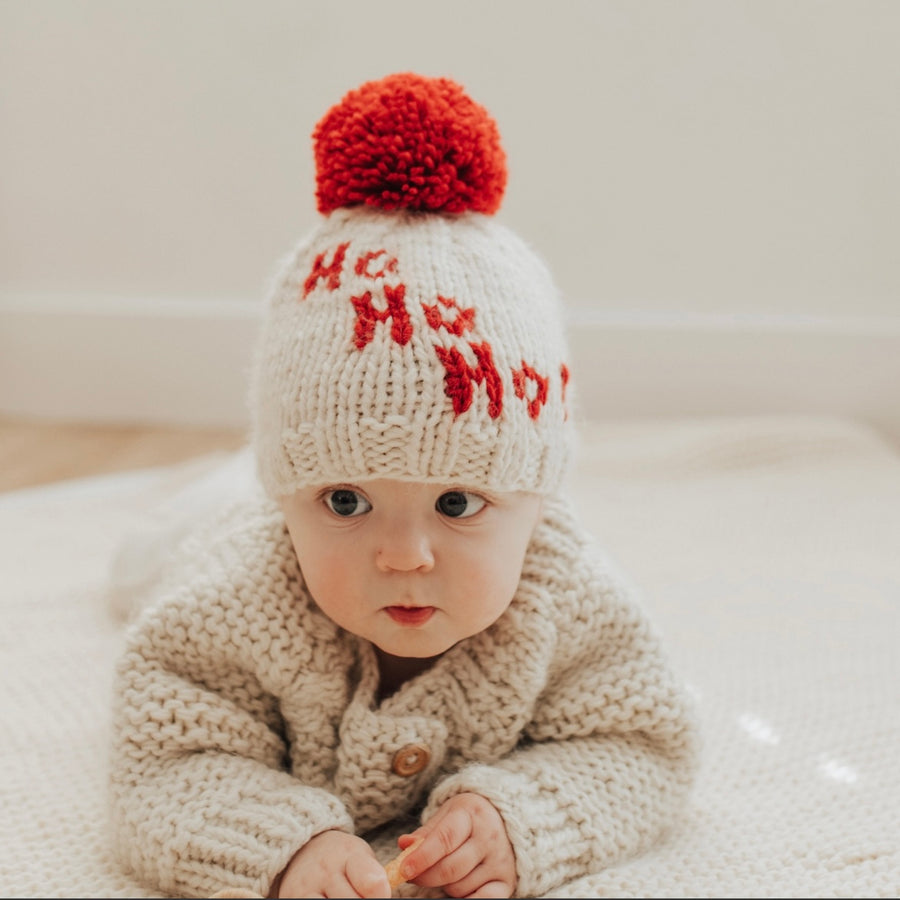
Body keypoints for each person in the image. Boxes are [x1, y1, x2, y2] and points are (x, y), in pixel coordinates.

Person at [109, 72, 698, 900]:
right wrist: (277, 846)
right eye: (344, 500)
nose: (405, 555)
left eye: (459, 503)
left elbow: (639, 746)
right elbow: (164, 765)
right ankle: (226, 486)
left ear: (539, 500)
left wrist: (520, 818)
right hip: (209, 530)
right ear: (290, 499)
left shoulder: (567, 601)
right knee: (142, 564)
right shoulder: (229, 604)